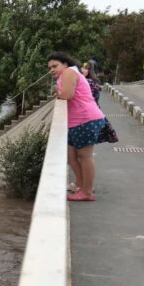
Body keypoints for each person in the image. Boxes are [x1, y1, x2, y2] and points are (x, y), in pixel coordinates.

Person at [48, 52, 107, 202]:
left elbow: (66, 95)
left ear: (65, 64)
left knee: (84, 157)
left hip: (85, 119)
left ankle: (87, 192)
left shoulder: (68, 72)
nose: (52, 70)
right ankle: (81, 184)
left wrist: (58, 92)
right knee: (72, 156)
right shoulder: (67, 74)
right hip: (77, 121)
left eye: (55, 66)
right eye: (49, 68)